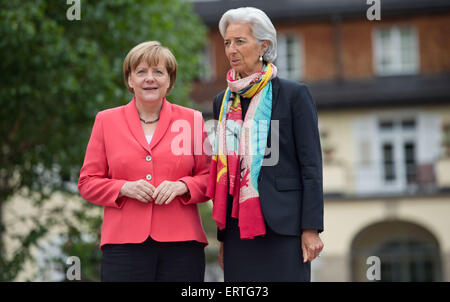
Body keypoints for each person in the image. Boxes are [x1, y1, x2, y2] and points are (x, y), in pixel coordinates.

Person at [206, 7, 324, 282]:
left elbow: (311, 165)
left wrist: (311, 228)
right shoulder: (221, 102)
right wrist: (223, 238)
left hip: (285, 227)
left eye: (240, 41)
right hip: (237, 230)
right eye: (227, 42)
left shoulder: (295, 95)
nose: (231, 49)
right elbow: (227, 173)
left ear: (264, 46)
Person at [78, 41, 211, 282]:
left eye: (158, 72)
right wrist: (122, 188)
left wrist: (182, 186)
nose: (150, 78)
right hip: (123, 246)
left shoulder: (192, 120)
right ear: (130, 80)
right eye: (141, 72)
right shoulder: (106, 121)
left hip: (182, 247)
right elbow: (87, 182)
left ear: (169, 81)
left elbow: (210, 177)